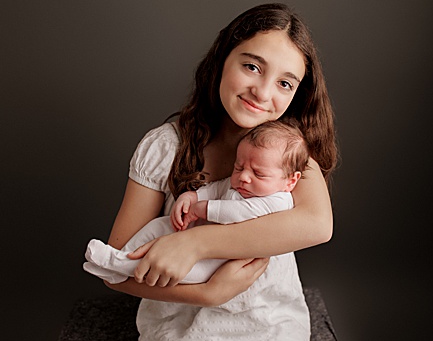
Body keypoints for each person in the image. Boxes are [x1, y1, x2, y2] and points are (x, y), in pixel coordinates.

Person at [100, 3, 338, 341]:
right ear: (222, 60)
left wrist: (197, 243)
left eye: (284, 83)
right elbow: (113, 266)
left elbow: (317, 224)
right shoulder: (167, 146)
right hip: (179, 329)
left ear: (296, 95)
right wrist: (208, 293)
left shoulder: (290, 150)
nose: (262, 92)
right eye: (252, 66)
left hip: (268, 328)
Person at [84, 120, 308, 286]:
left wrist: (203, 209)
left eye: (258, 174)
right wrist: (193, 197)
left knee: (183, 270)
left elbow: (239, 213)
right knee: (158, 226)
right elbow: (217, 187)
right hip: (195, 239)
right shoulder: (239, 183)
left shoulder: (279, 201)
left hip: (217, 262)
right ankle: (123, 256)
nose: (244, 177)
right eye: (239, 167)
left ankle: (120, 266)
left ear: (290, 180)